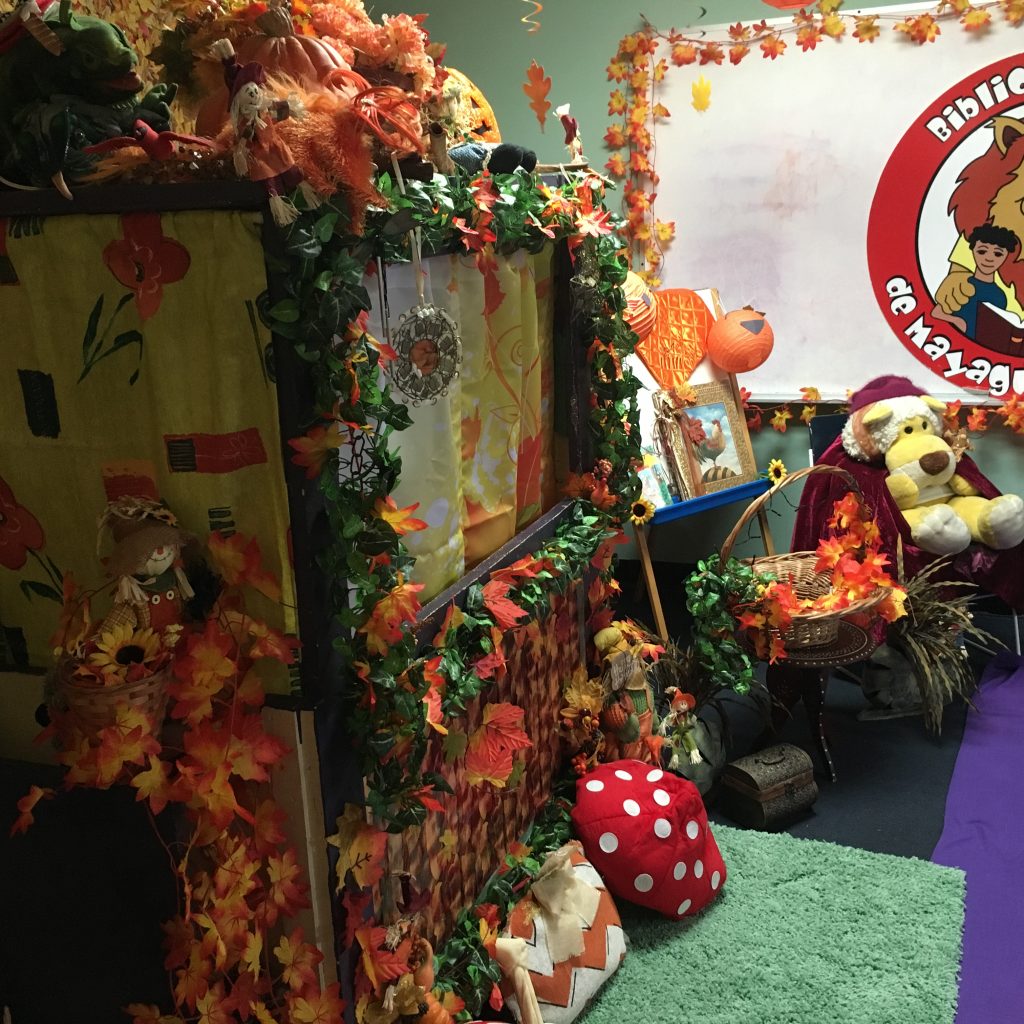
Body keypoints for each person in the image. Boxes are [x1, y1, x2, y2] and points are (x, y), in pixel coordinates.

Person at [932, 224, 1019, 339]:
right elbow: (936, 312)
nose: (989, 258)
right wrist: (957, 321)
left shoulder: (1000, 295)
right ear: (973, 251)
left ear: (1006, 256)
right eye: (982, 251)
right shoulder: (962, 284)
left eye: (997, 254)